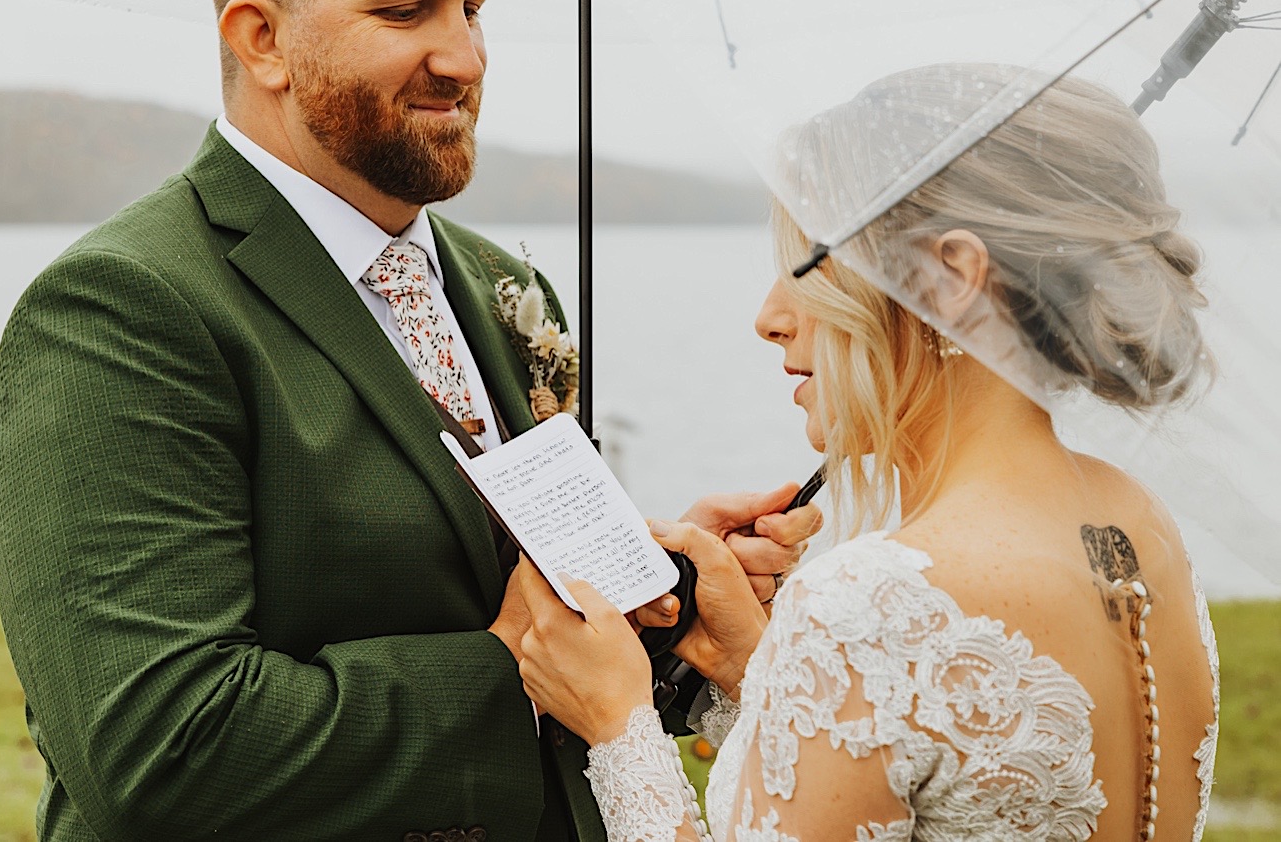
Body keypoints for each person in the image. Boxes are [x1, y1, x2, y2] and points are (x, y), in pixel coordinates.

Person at [0, 0, 819, 839]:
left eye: (473, 7)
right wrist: (509, 669)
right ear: (263, 40)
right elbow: (162, 749)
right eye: (408, 11)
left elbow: (550, 668)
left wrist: (653, 593)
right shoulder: (123, 311)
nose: (465, 58)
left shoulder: (509, 287)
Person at [516, 66, 1222, 841]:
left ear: (952, 278)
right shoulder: (1137, 524)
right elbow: (949, 773)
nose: (770, 318)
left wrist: (618, 725)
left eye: (811, 267)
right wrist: (761, 666)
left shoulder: (868, 599)